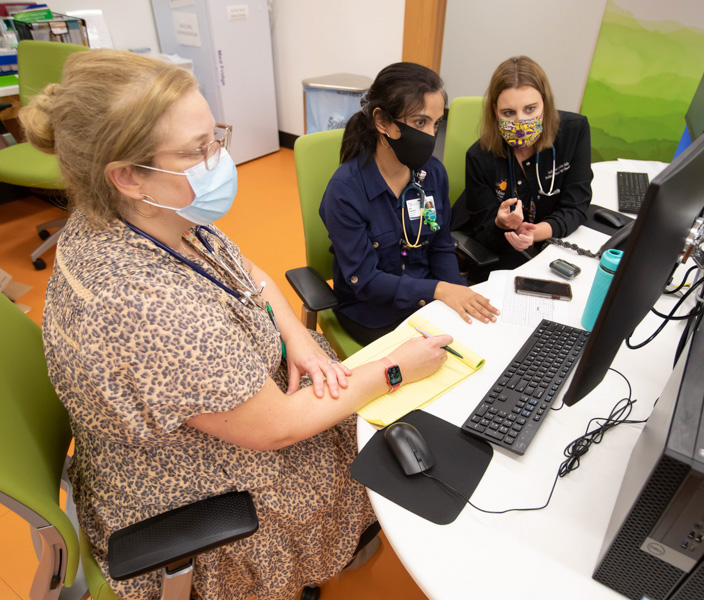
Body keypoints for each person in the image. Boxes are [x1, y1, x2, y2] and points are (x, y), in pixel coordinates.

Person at [23, 49, 453, 600]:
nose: (218, 159)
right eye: (198, 150)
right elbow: (275, 428)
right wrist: (394, 370)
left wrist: (294, 335)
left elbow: (244, 269)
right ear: (128, 176)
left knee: (350, 401)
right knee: (370, 444)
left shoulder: (154, 216)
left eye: (215, 137)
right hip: (191, 491)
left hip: (231, 404)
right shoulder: (142, 305)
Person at [320, 62, 499, 345]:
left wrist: (457, 292)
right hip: (373, 313)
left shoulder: (433, 174)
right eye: (419, 122)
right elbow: (365, 282)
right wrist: (440, 290)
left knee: (484, 342)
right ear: (382, 122)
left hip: (428, 301)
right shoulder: (345, 191)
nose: (430, 134)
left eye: (436, 123)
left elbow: (440, 246)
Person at [453, 56, 593, 280]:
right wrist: (501, 223)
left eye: (530, 109)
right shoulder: (479, 157)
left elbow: (577, 205)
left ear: (545, 103)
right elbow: (485, 233)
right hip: (503, 251)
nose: (520, 122)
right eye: (508, 113)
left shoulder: (574, 132)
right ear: (494, 111)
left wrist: (536, 233)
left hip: (549, 242)